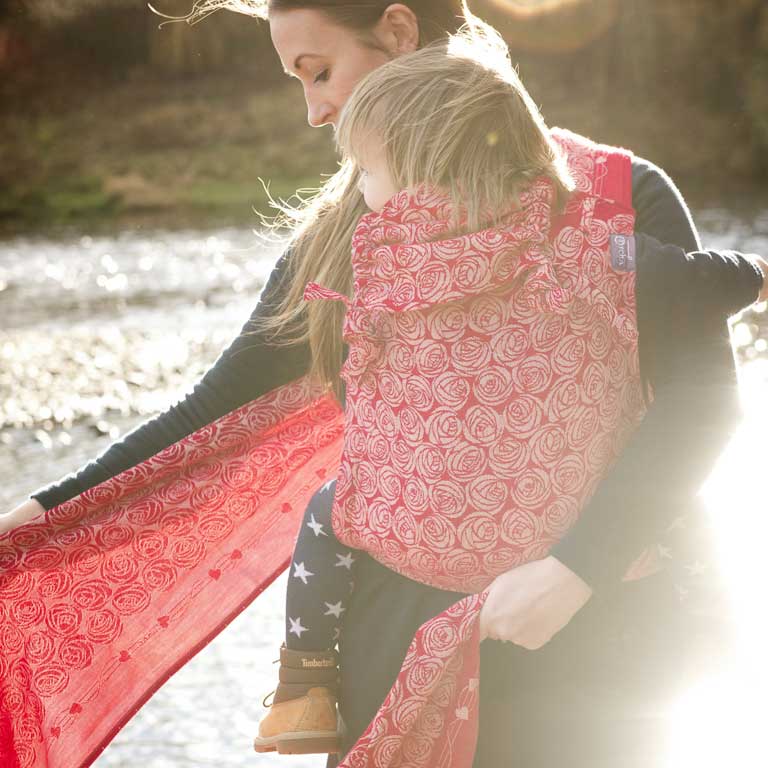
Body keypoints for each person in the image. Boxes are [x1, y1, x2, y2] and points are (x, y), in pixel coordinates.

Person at [3, 1, 765, 766]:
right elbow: (212, 410)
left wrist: (578, 569)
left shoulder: (615, 196)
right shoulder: (348, 238)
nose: (313, 111)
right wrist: (34, 521)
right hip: (394, 638)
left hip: (609, 635)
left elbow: (703, 406)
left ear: (399, 32)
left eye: (319, 71)